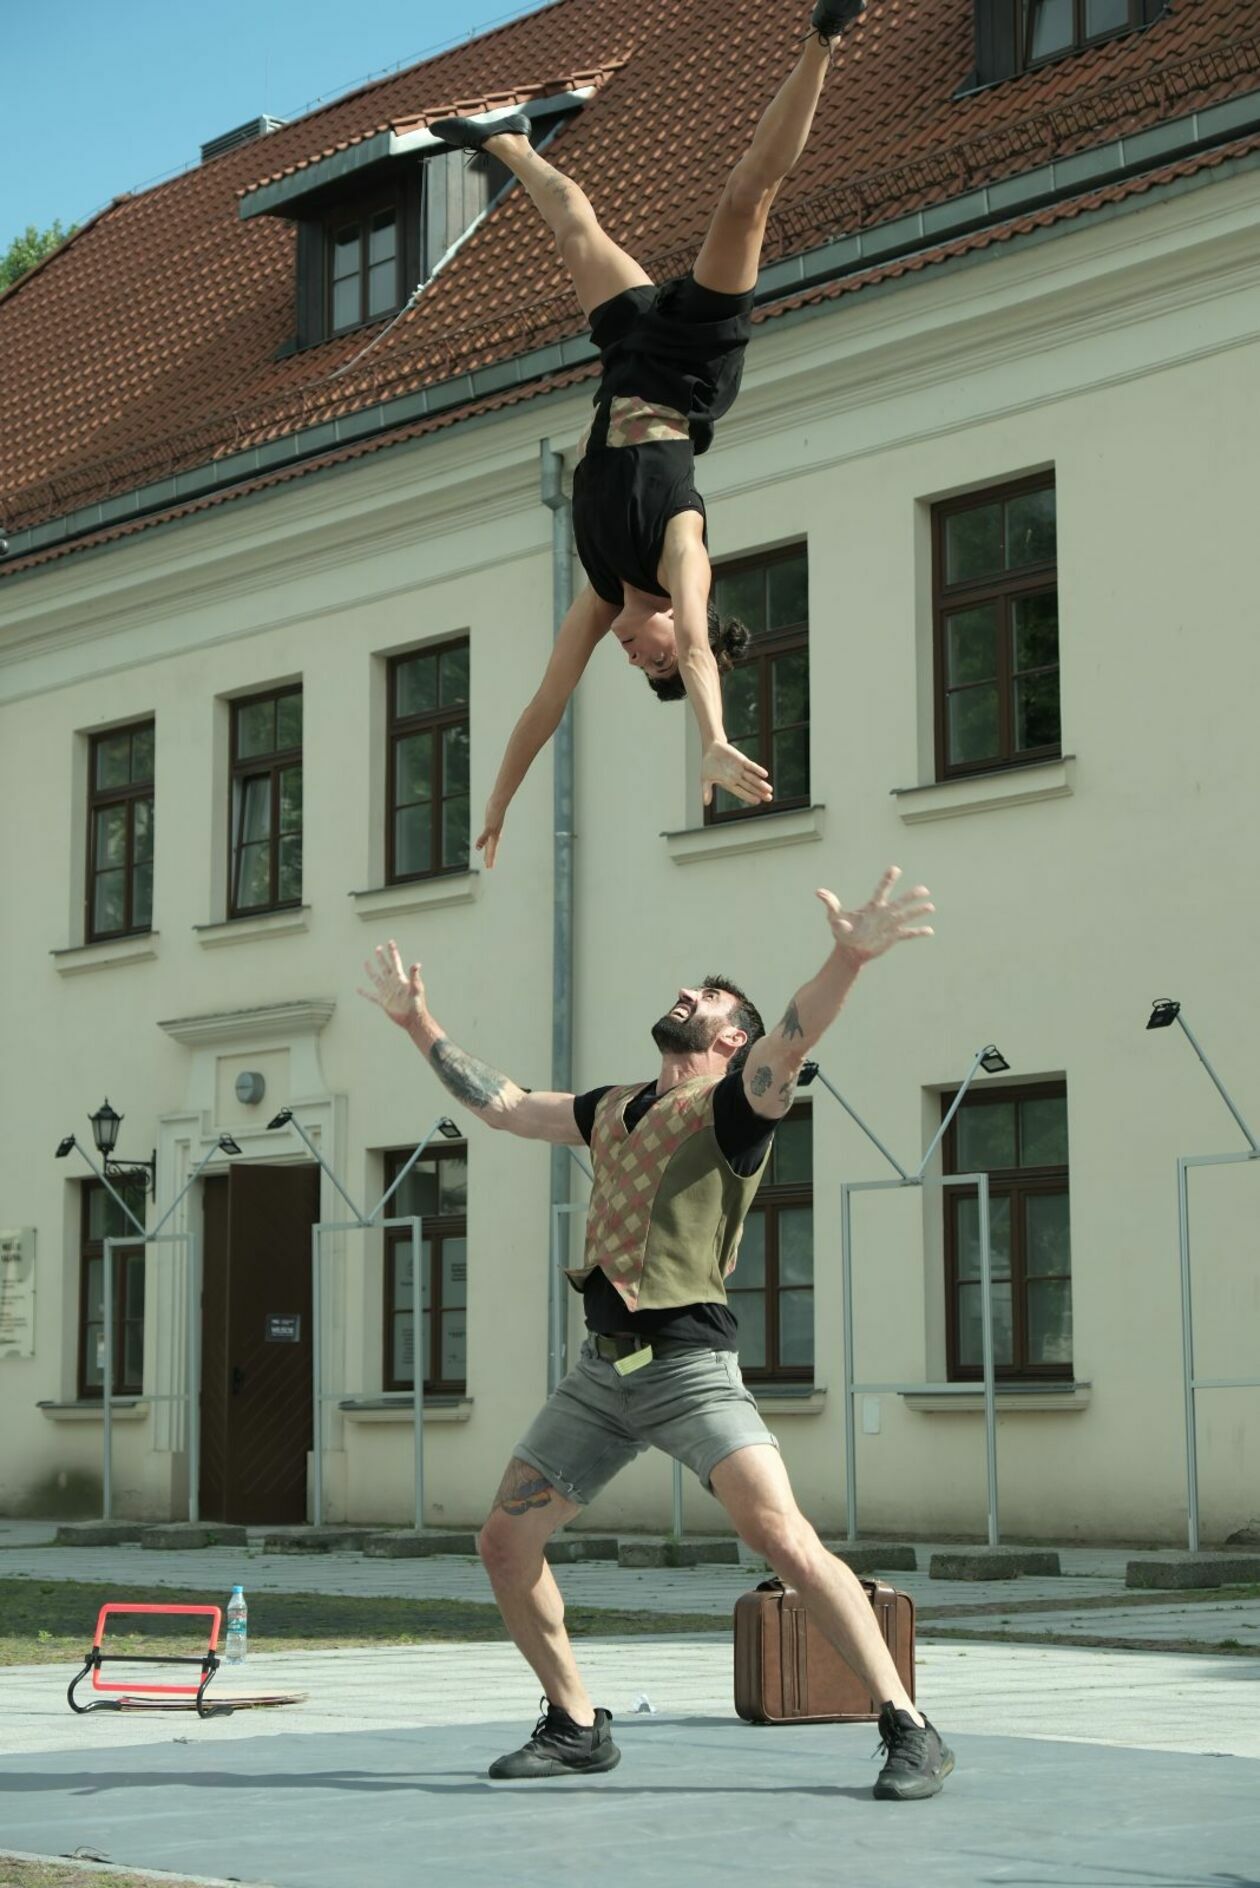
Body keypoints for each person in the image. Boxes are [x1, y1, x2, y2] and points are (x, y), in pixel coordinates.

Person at [359, 865, 955, 1801]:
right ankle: (577, 1725)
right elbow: (506, 1105)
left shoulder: (739, 1104)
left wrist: (847, 955)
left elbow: (795, 1034)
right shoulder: (610, 1107)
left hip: (689, 1370)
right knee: (504, 1545)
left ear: (730, 1037)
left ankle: (909, 1725)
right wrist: (414, 1023)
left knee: (784, 1539)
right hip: (601, 1376)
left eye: (707, 997)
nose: (686, 995)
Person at [423, 1, 866, 864]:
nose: (639, 659)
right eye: (652, 662)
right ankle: (826, 36)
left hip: (630, 358)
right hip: (690, 367)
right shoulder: (678, 556)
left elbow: (545, 703)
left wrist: (500, 801)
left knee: (573, 224)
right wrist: (710, 735)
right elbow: (699, 646)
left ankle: (507, 141)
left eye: (640, 669)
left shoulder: (599, 588)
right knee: (745, 197)